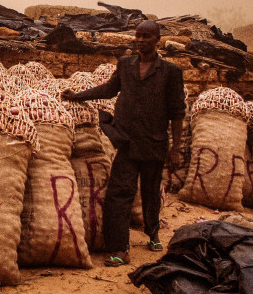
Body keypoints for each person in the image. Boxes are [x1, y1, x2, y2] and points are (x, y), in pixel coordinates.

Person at [63, 20, 186, 266]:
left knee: (151, 192)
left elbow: (177, 112)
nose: (141, 40)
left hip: (154, 143)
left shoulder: (170, 72)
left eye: (147, 36)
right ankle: (120, 248)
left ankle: (153, 234)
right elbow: (109, 89)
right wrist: (77, 96)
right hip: (127, 141)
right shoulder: (126, 64)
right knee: (119, 193)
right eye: (138, 36)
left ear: (157, 40)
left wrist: (175, 148)